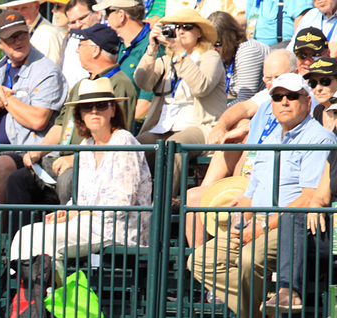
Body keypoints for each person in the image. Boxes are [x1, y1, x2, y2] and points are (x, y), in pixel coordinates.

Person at [189, 73, 334, 318]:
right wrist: (238, 224)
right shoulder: (269, 141)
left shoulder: (319, 138)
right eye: (278, 97)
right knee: (200, 259)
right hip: (257, 223)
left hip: (294, 225)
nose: (284, 102)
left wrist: (260, 228)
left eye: (292, 96)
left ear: (307, 100)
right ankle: (259, 314)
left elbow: (308, 198)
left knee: (249, 259)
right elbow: (249, 194)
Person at [9, 78, 152, 282]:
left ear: (113, 110)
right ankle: (30, 298)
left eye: (102, 105)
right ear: (80, 115)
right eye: (87, 107)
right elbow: (82, 199)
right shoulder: (86, 145)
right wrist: (64, 212)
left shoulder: (124, 141)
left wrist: (77, 213)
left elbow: (122, 204)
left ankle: (48, 301)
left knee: (40, 238)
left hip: (119, 228)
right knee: (26, 233)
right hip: (91, 223)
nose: (94, 112)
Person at [6, 23, 138, 215]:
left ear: (95, 50)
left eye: (81, 44)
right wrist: (37, 152)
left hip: (93, 163)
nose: (76, 49)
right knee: (18, 179)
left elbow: (114, 135)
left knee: (67, 179)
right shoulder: (81, 86)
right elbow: (61, 125)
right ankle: (19, 239)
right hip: (62, 158)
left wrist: (77, 158)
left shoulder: (120, 84)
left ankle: (69, 236)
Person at [186, 51, 296, 246]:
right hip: (246, 180)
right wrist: (222, 127)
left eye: (278, 78)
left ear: (294, 74)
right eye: (267, 78)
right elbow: (244, 109)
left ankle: (212, 261)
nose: (272, 83)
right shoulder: (264, 105)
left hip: (267, 187)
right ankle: (201, 263)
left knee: (204, 200)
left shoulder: (297, 106)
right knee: (193, 197)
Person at [0, 9, 69, 205]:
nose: (18, 41)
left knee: (1, 165)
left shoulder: (47, 71)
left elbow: (38, 120)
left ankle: (0, 235)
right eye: (10, 38)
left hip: (29, 154)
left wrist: (4, 98)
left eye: (21, 34)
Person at [135, 9, 227, 193]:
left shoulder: (210, 57)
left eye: (187, 27)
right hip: (164, 126)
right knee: (134, 147)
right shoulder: (167, 60)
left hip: (200, 126)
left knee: (173, 147)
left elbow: (201, 87)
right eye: (175, 27)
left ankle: (162, 206)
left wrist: (181, 54)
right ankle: (136, 203)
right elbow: (142, 82)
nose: (180, 31)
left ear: (199, 32)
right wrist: (151, 50)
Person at [97, 0, 155, 124]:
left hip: (132, 128)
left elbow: (146, 103)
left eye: (107, 12)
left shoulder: (152, 45)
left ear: (121, 15)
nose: (104, 17)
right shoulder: (117, 44)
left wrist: (118, 129)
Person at [211, 11, 270, 102]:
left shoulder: (248, 51)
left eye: (217, 44)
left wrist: (218, 112)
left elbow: (245, 100)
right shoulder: (221, 52)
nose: (212, 49)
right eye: (209, 43)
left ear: (231, 37)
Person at [0, 0, 67, 66]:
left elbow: (49, 75)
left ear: (36, 7)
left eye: (24, 8)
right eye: (15, 9)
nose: (20, 13)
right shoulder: (38, 32)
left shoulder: (46, 35)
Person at [63, 0, 106, 88]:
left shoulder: (112, 34)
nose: (78, 25)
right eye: (72, 22)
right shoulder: (73, 40)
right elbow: (69, 78)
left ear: (97, 13)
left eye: (82, 18)